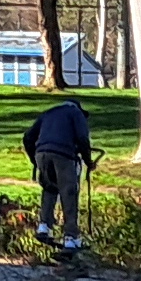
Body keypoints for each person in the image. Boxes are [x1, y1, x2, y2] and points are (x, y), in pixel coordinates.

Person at [23, 93, 93, 257]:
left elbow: (28, 137)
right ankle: (71, 238)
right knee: (69, 194)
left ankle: (44, 227)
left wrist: (35, 159)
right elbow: (83, 138)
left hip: (42, 153)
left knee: (49, 189)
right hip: (64, 156)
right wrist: (88, 161)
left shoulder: (48, 113)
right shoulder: (76, 113)